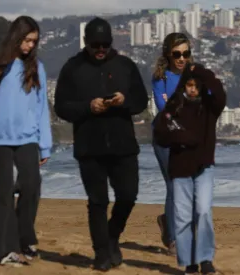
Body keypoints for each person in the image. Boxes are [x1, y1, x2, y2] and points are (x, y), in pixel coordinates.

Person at [53, 17, 148, 271]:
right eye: (95, 45)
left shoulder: (125, 66)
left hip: (123, 145)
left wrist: (123, 100)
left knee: (128, 195)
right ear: (86, 43)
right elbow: (60, 106)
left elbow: (141, 101)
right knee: (97, 201)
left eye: (105, 44)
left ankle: (112, 235)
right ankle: (101, 254)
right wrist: (88, 106)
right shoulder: (72, 68)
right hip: (89, 146)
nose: (100, 49)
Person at [0, 16, 52, 266]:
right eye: (26, 40)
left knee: (31, 184)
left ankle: (22, 238)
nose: (29, 46)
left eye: (33, 42)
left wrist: (44, 144)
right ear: (15, 37)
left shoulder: (37, 68)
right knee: (2, 194)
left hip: (27, 138)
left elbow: (41, 108)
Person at [153, 63, 226, 275]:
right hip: (180, 168)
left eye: (196, 85)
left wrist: (200, 71)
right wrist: (182, 138)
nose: (192, 89)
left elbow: (220, 92)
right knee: (183, 217)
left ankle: (206, 260)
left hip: (204, 167)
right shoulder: (174, 106)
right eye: (189, 85)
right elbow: (159, 133)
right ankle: (190, 262)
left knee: (203, 211)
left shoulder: (210, 107)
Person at [151, 32, 193, 254]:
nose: (181, 58)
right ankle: (175, 240)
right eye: (177, 53)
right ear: (168, 53)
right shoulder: (161, 77)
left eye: (185, 53)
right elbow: (163, 108)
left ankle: (167, 224)